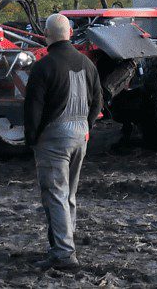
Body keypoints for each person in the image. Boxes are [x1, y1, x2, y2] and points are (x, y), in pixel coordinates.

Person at [24, 13, 103, 270]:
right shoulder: (88, 64)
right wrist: (86, 127)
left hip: (54, 137)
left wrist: (32, 138)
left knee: (55, 195)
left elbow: (33, 109)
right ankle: (64, 245)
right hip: (81, 135)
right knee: (69, 195)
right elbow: (98, 102)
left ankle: (64, 253)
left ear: (47, 36)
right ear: (69, 33)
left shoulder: (43, 67)